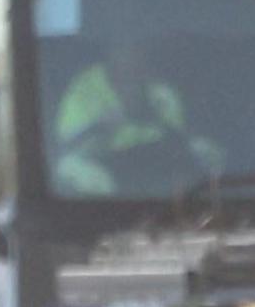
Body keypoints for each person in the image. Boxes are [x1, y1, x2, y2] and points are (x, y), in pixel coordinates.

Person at [51, 40, 214, 197]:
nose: (134, 55)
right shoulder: (84, 90)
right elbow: (66, 145)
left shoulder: (161, 90)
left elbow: (179, 140)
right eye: (125, 47)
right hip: (104, 164)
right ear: (111, 51)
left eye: (139, 47)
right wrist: (99, 127)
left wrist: (152, 116)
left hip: (155, 166)